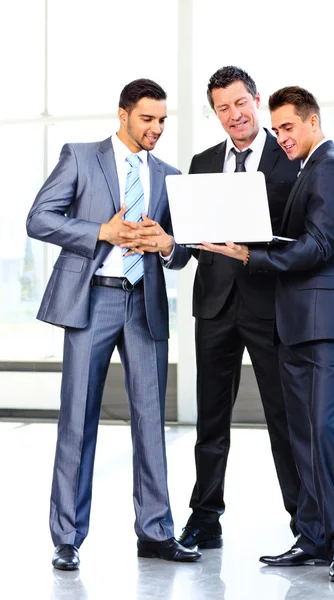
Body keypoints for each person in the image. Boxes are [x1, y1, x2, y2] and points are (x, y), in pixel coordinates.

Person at [26, 78, 201, 569]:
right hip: (91, 302)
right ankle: (67, 537)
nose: (156, 129)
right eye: (147, 119)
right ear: (123, 114)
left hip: (143, 302)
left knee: (151, 421)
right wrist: (100, 231)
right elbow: (38, 218)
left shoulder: (168, 174)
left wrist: (166, 244)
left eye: (163, 120)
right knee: (77, 420)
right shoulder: (81, 157)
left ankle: (156, 532)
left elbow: (182, 249)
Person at [197, 85, 334, 583]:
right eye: (278, 129)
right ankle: (311, 537)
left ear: (313, 121)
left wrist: (250, 254)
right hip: (293, 324)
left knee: (322, 432)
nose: (282, 137)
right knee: (302, 435)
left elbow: (317, 246)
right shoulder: (310, 169)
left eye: (289, 127)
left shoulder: (332, 168)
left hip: (324, 325)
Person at [177, 66, 301, 550]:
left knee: (283, 419)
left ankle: (304, 524)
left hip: (269, 303)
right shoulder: (203, 160)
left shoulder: (288, 157)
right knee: (210, 421)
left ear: (256, 100)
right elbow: (191, 237)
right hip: (213, 306)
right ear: (215, 113)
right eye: (222, 108)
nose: (234, 115)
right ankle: (204, 519)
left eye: (240, 103)